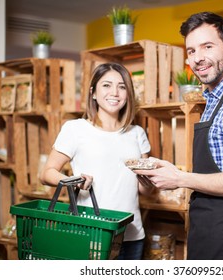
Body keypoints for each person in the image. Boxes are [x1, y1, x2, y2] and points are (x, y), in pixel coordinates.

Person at [133, 12, 223, 260]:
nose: (198, 58)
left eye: (207, 47)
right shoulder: (214, 99)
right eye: (191, 51)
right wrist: (170, 171)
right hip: (207, 229)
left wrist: (180, 178)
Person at [40, 62, 153, 260]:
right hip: (90, 233)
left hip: (132, 235)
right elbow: (46, 172)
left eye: (122, 86)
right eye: (107, 85)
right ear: (93, 93)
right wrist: (75, 180)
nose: (115, 92)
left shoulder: (137, 133)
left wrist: (148, 181)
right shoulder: (75, 129)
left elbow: (145, 191)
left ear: (128, 94)